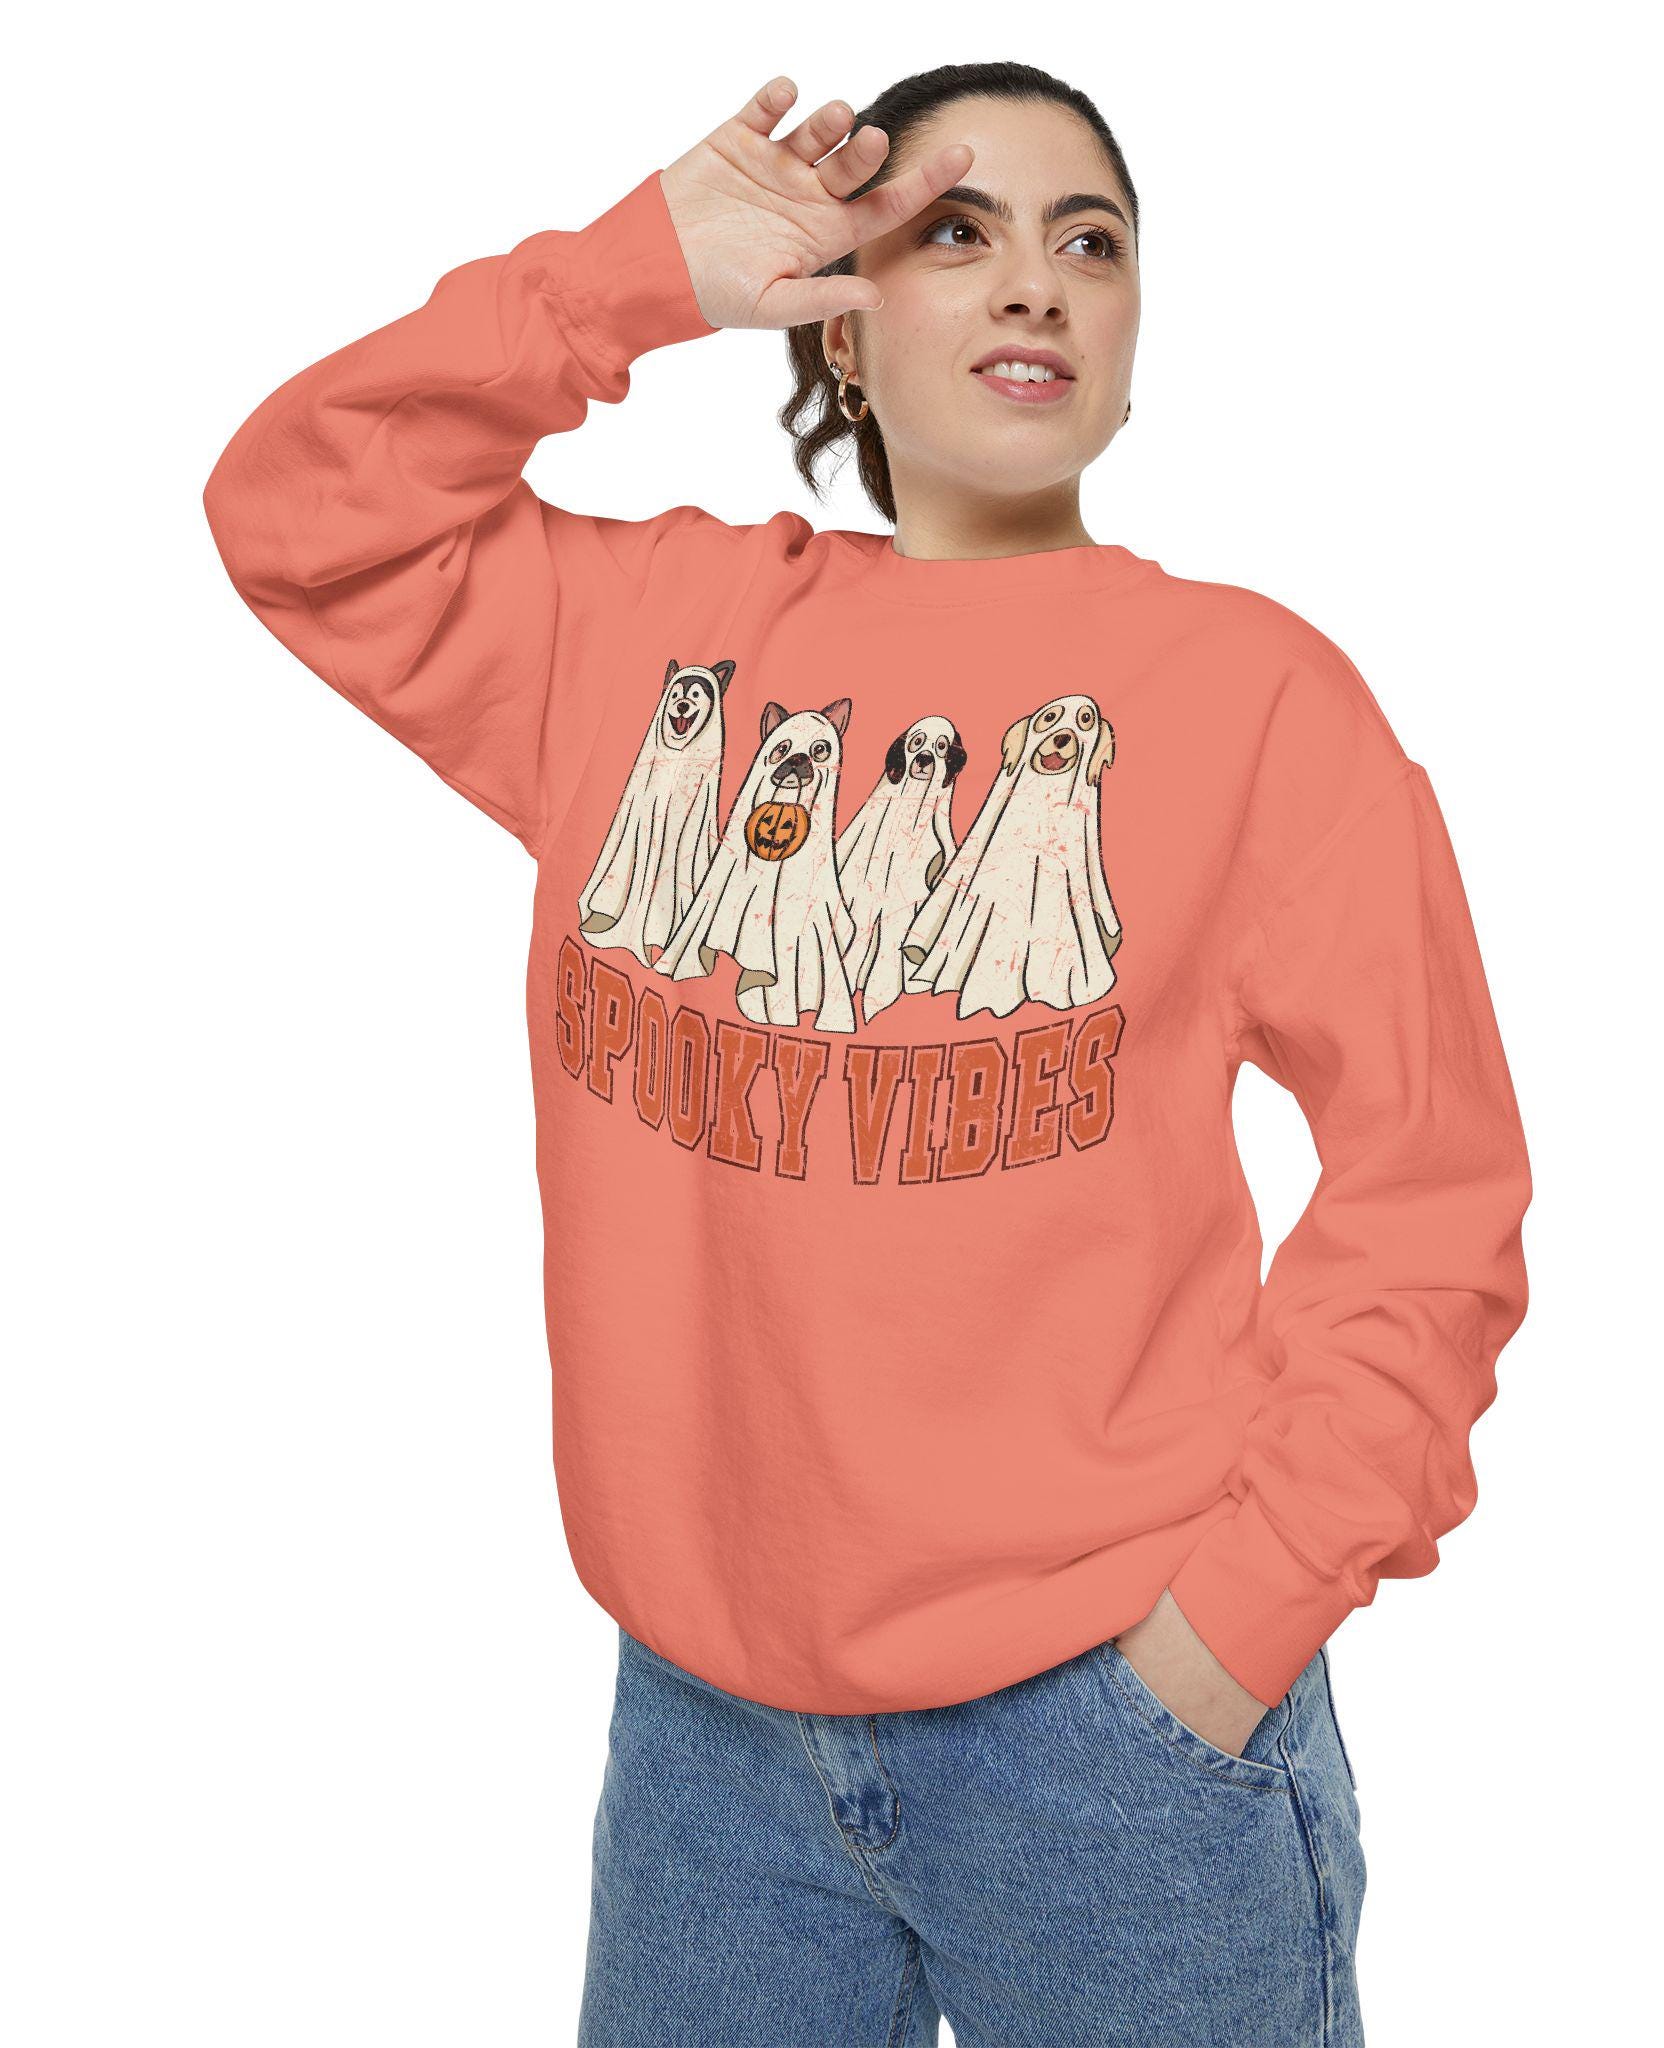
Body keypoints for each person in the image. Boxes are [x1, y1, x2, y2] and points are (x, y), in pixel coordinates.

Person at [203, 60, 1532, 2048]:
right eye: (954, 232)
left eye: (1091, 243)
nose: (1035, 283)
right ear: (837, 315)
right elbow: (300, 514)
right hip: (707, 1743)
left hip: (1114, 1736)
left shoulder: (1256, 700)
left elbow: (1432, 1192)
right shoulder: (644, 637)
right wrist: (629, 275)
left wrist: (1232, 1629)